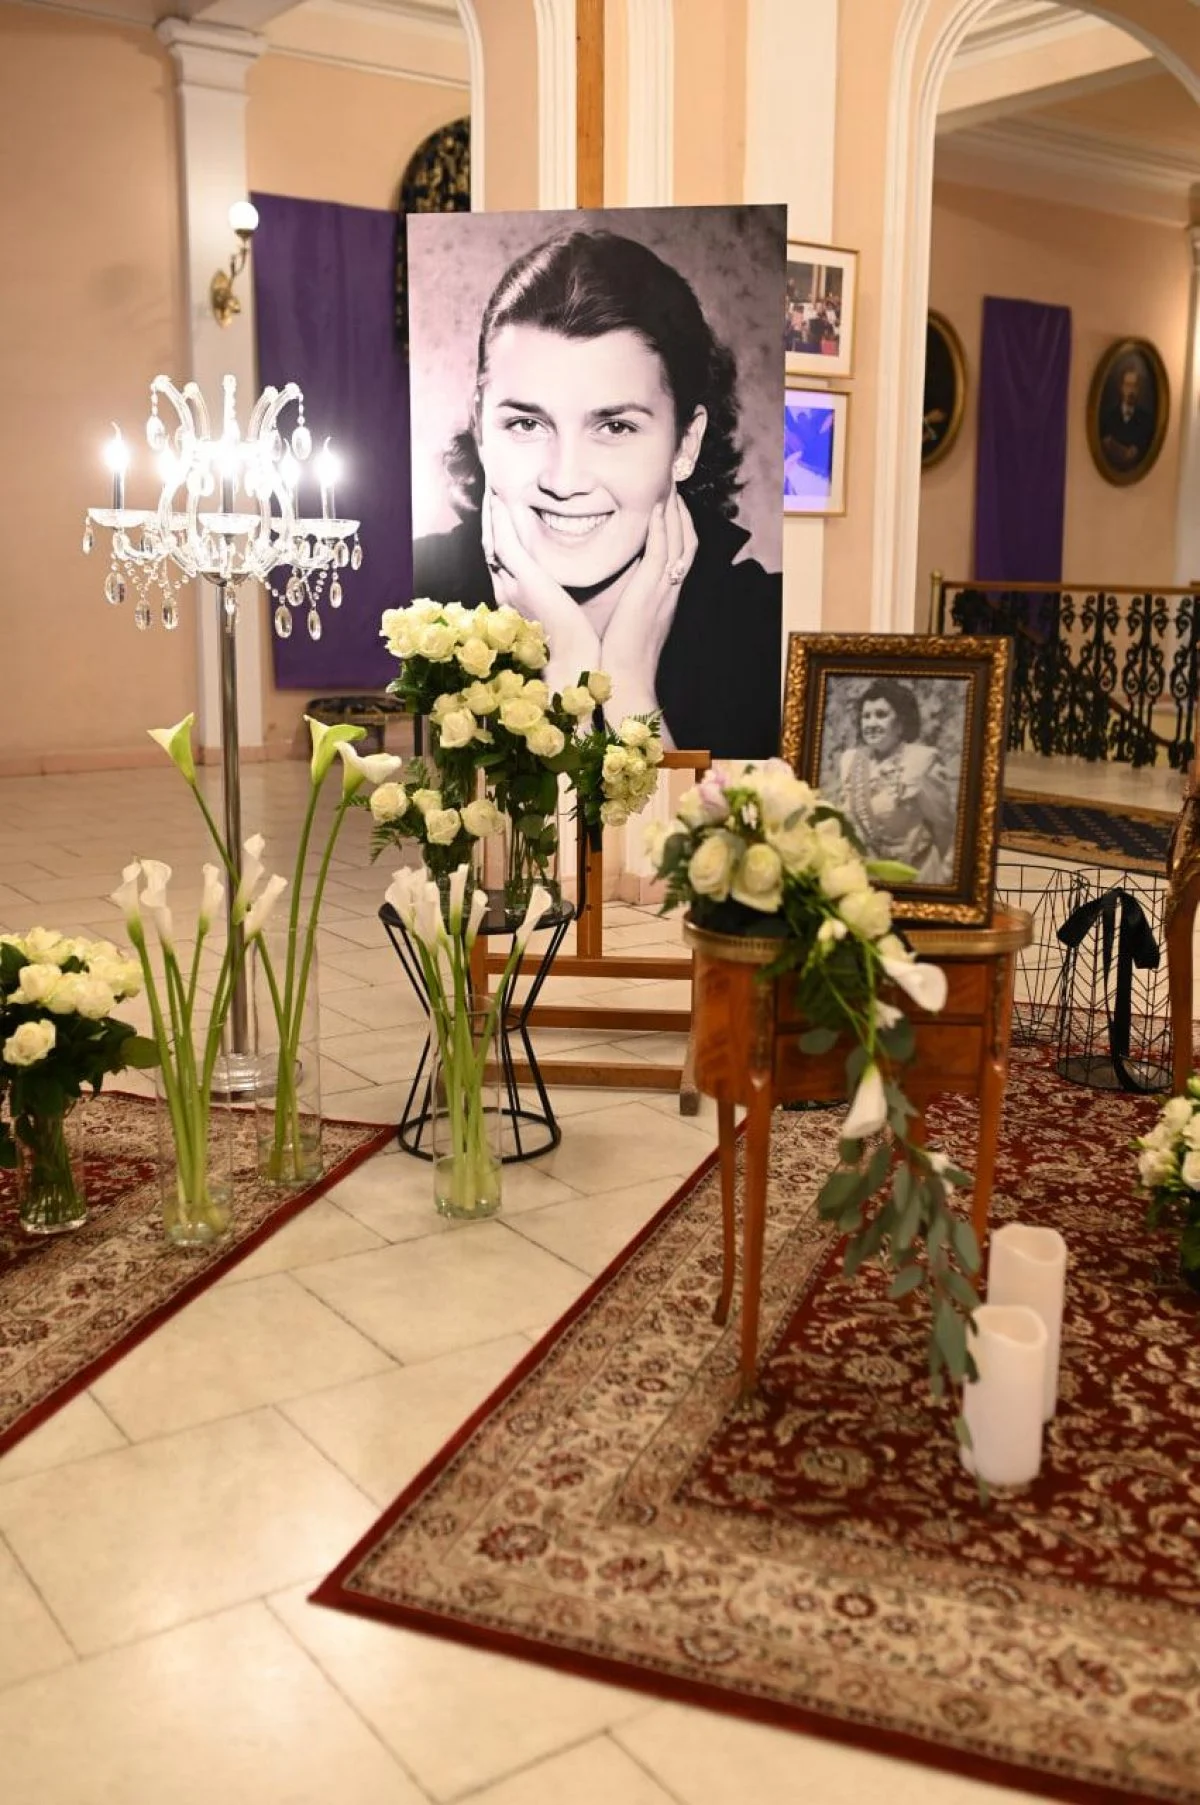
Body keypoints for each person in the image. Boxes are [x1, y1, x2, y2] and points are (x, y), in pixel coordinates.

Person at [412, 228, 782, 758]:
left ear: (686, 442)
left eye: (614, 427)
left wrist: (628, 687)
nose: (565, 482)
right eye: (526, 424)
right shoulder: (413, 602)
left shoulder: (771, 632)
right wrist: (565, 659)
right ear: (480, 427)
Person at [834, 679, 957, 884]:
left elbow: (945, 828)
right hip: (871, 877)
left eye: (881, 715)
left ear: (901, 723)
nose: (871, 724)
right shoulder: (850, 762)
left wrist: (945, 880)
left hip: (919, 875)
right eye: (866, 716)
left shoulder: (921, 762)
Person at [1099, 363, 1155, 473]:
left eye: (1134, 386)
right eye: (1128, 385)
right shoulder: (1108, 417)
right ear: (1121, 387)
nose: (1131, 391)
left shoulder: (1147, 421)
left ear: (1138, 389)